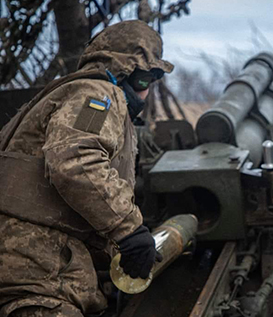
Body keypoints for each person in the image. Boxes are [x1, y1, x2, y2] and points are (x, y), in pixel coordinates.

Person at [0, 20, 173, 316]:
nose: (145, 93)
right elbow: (76, 159)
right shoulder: (97, 95)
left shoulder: (75, 93)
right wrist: (129, 230)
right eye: (145, 80)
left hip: (37, 266)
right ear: (125, 72)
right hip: (36, 270)